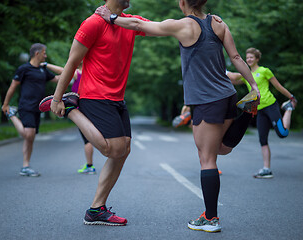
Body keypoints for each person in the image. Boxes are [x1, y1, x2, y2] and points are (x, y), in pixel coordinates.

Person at [95, 0, 260, 233]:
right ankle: (245, 114)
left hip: (206, 100)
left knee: (207, 159)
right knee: (222, 149)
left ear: (183, 2)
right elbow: (236, 58)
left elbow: (138, 25)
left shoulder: (183, 26)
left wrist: (110, 18)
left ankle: (210, 218)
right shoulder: (218, 23)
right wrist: (253, 86)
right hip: (228, 96)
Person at [39, 0, 150, 226]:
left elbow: (159, 27)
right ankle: (71, 109)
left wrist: (193, 21)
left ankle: (96, 209)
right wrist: (58, 98)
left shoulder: (129, 23)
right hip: (95, 94)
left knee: (124, 149)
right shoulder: (92, 23)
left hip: (117, 97)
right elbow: (72, 62)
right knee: (114, 149)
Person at [228, 47, 298, 179]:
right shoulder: (245, 74)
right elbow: (232, 78)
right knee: (262, 140)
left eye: (251, 57)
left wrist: (291, 98)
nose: (248, 59)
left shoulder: (264, 71)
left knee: (282, 133)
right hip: (258, 109)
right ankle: (266, 169)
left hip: (270, 105)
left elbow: (278, 86)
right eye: (247, 57)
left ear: (257, 59)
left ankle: (288, 109)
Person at [2, 43, 59, 177]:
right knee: (29, 135)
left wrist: (70, 71)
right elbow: (13, 86)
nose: (46, 55)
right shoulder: (24, 69)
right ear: (37, 53)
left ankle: (25, 166)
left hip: (38, 107)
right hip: (26, 105)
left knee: (30, 138)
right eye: (44, 53)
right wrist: (6, 104)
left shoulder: (42, 70)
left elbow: (59, 78)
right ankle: (12, 115)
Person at [44, 62, 96, 174]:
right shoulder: (91, 73)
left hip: (81, 107)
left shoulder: (78, 73)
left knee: (87, 139)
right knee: (90, 136)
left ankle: (90, 166)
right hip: (92, 105)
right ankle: (89, 164)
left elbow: (61, 70)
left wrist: (45, 65)